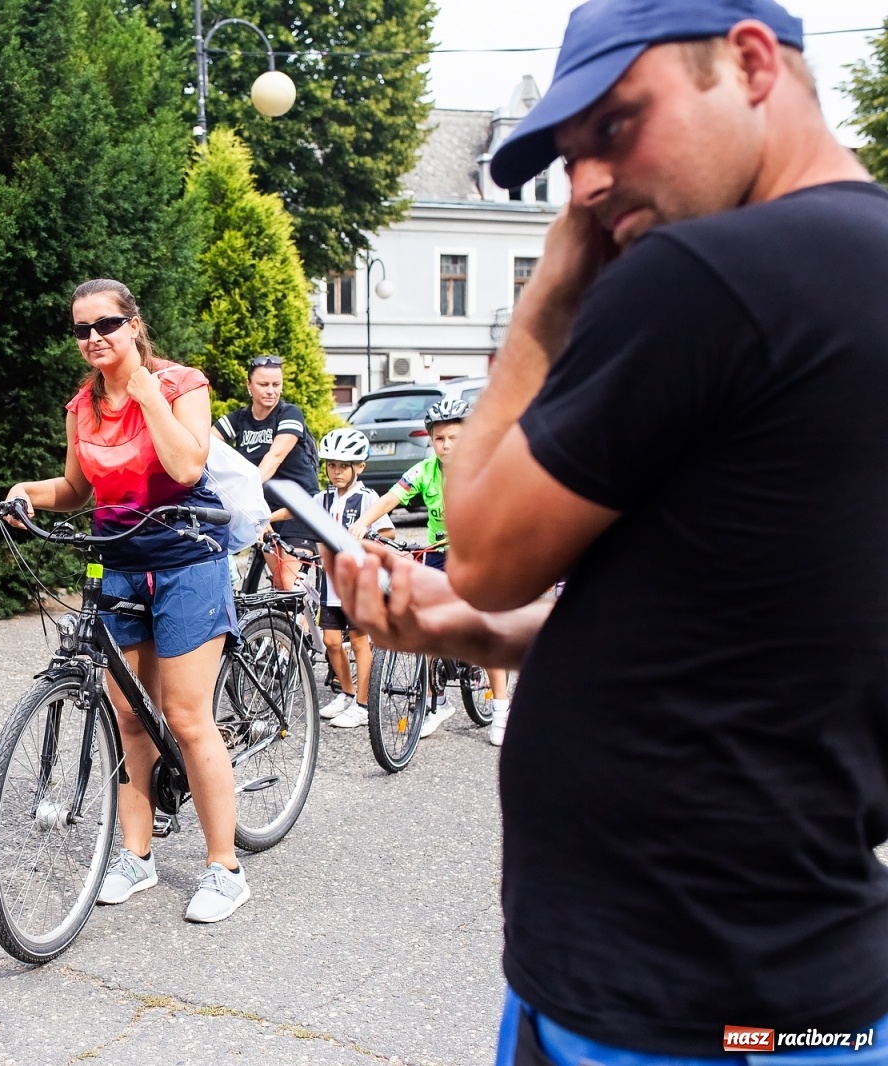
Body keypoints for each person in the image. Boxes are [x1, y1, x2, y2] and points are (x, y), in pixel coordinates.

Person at [330, 0, 888, 1061]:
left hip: (667, 986)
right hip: (803, 985)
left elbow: (483, 553)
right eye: (569, 154)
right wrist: (485, 639)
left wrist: (545, 308)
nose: (583, 186)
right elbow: (765, 627)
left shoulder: (708, 276)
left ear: (752, 66)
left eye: (617, 127)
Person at [5, 278, 249, 924]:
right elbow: (77, 488)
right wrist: (27, 492)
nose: (93, 339)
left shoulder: (180, 385)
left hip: (187, 557)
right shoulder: (80, 407)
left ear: (134, 324)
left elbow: (187, 466)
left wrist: (145, 390)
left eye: (106, 325)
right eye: (81, 330)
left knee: (189, 716)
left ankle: (224, 866)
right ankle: (136, 855)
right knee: (130, 719)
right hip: (119, 560)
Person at [350, 400, 512, 740]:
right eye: (439, 438)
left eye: (454, 437)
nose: (447, 445)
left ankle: (500, 709)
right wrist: (364, 522)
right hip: (438, 553)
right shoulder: (425, 471)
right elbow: (391, 497)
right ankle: (436, 702)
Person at [213, 355, 320, 590]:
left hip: (298, 508)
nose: (271, 391)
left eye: (276, 384)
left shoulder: (290, 414)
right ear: (249, 386)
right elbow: (204, 445)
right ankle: (287, 627)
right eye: (263, 384)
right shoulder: (239, 419)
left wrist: (245, 494)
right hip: (264, 511)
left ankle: (302, 625)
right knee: (280, 583)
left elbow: (275, 457)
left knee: (290, 584)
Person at [312, 428, 393, 729]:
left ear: (360, 467)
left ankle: (363, 703)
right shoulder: (322, 498)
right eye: (331, 465)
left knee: (360, 641)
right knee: (331, 641)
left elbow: (387, 533)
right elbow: (301, 516)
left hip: (358, 582)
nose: (336, 471)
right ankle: (346, 693)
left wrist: (365, 538)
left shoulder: (368, 499)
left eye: (343, 466)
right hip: (330, 582)